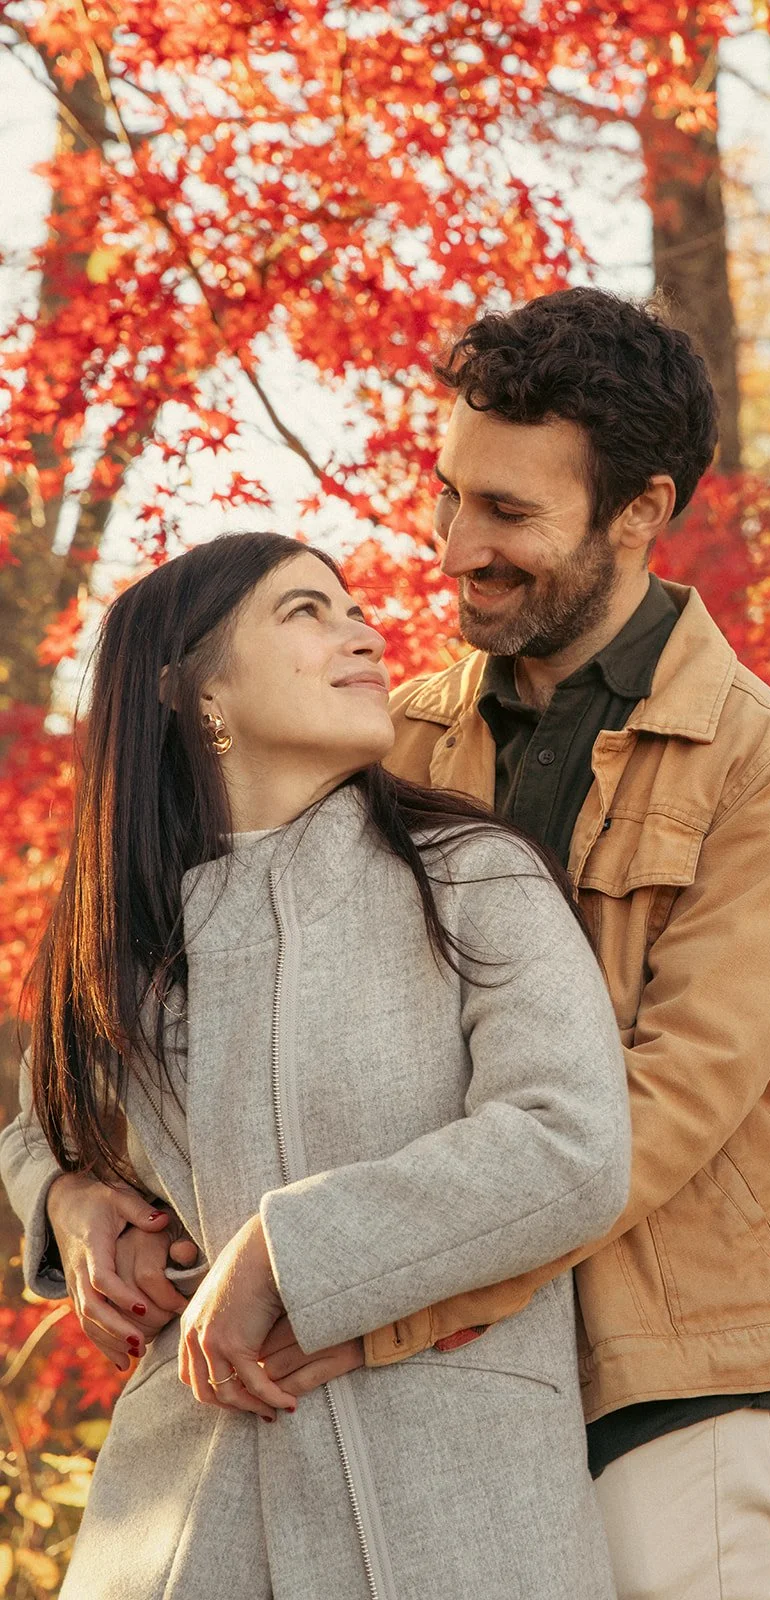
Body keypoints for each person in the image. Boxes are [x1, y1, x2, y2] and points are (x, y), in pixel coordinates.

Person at [25, 287, 770, 1598]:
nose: (455, 546)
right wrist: (71, 1197)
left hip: (650, 1372)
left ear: (636, 512)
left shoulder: (762, 766)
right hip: (381, 1364)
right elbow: (95, 1046)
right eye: (450, 493)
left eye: (508, 514)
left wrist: (339, 1283)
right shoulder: (373, 737)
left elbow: (644, 1116)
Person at [0, 531, 631, 1600]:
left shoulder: (474, 879)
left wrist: (288, 1250)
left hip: (454, 1511)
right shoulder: (119, 943)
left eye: (352, 608)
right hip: (184, 1515)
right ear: (194, 692)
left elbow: (569, 1142)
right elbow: (36, 1128)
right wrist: (62, 1199)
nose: (364, 633)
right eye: (305, 611)